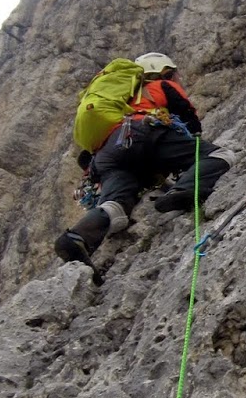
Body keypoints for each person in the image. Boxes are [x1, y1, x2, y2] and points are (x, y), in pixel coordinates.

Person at [54, 52, 230, 266]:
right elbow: (188, 117)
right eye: (174, 74)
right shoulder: (159, 86)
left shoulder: (118, 101)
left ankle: (77, 238)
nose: (177, 79)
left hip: (107, 155)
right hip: (142, 133)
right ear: (163, 72)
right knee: (219, 155)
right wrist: (190, 145)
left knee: (116, 207)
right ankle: (183, 190)